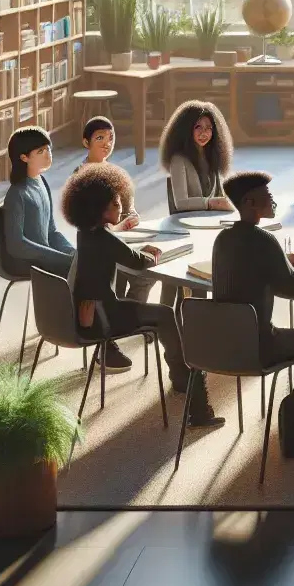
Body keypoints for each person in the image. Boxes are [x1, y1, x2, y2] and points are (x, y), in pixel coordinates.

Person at [61, 161, 219, 425]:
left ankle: (180, 377)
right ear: (99, 210)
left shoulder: (86, 234)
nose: (121, 206)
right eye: (115, 203)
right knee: (166, 314)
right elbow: (138, 262)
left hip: (91, 312)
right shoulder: (105, 238)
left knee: (161, 313)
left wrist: (140, 252)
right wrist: (152, 253)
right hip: (105, 316)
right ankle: (185, 382)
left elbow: (126, 255)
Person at [210, 171, 294, 383]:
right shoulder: (265, 240)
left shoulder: (222, 239)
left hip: (223, 342)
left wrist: (281, 260)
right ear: (250, 202)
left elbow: (248, 267)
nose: (273, 199)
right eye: (267, 194)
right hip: (258, 346)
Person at [1, 126, 74, 277]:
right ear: (24, 157)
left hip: (46, 256)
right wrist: (62, 259)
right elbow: (16, 245)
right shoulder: (17, 194)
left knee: (94, 262)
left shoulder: (42, 182)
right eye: (40, 151)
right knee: (86, 271)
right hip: (29, 262)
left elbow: (51, 232)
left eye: (48, 149)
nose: (48, 155)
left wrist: (72, 252)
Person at [160, 100, 234, 213]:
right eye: (198, 127)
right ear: (186, 129)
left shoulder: (214, 157)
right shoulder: (178, 160)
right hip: (188, 224)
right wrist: (211, 203)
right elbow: (180, 203)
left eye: (208, 128)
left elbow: (222, 196)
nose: (203, 133)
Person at [81, 116, 139, 231]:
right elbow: (86, 220)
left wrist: (132, 217)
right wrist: (117, 227)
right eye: (100, 138)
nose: (107, 144)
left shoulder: (117, 173)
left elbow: (129, 207)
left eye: (110, 138)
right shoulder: (80, 176)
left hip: (121, 235)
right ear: (86, 142)